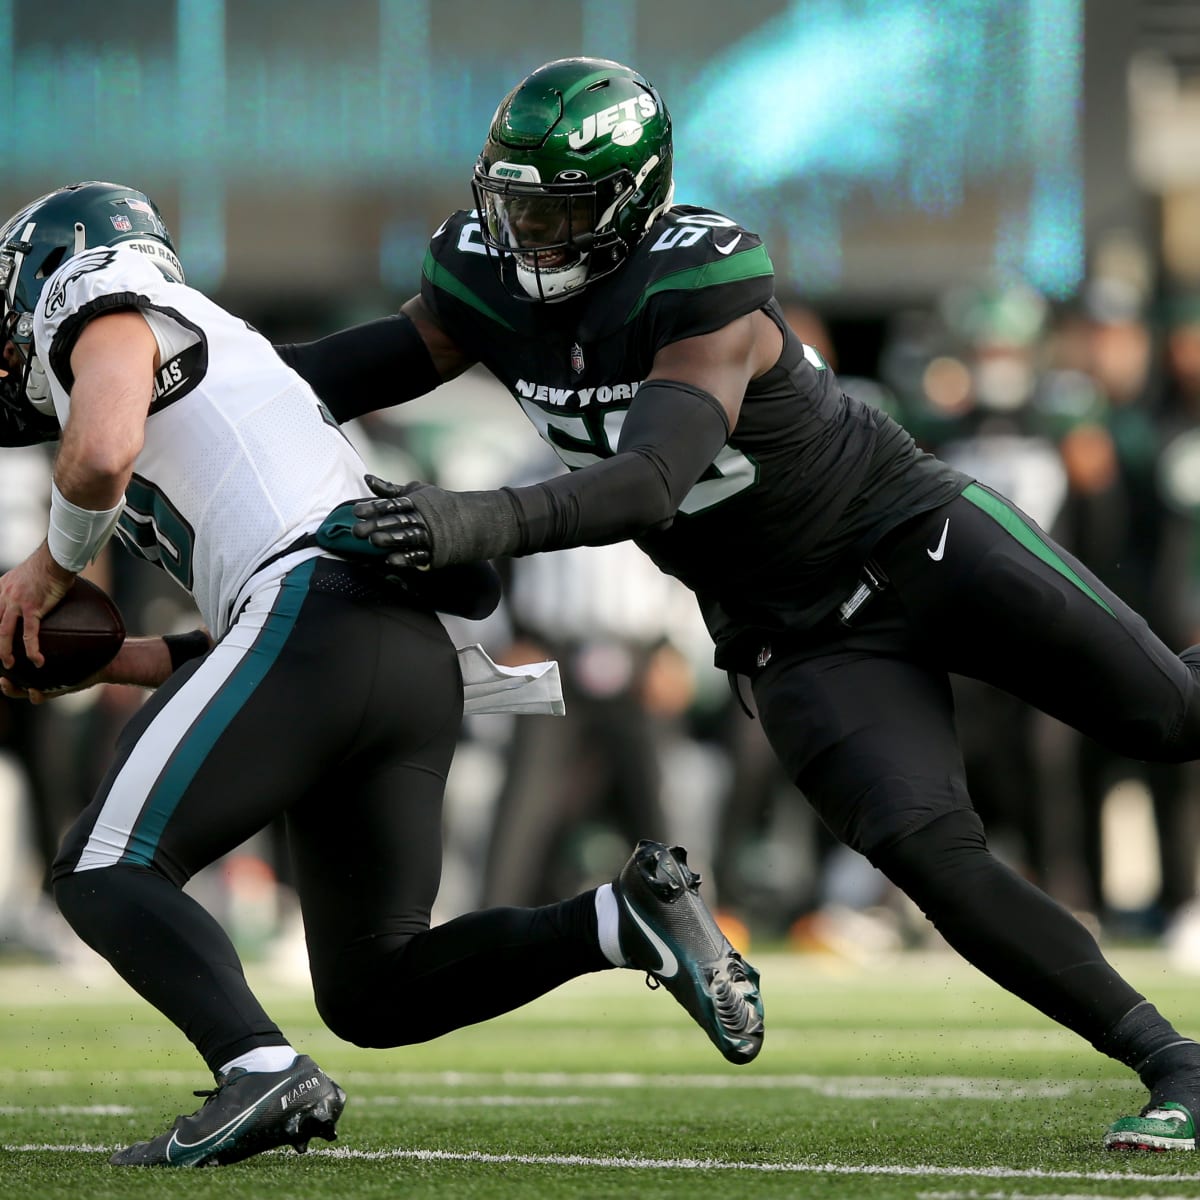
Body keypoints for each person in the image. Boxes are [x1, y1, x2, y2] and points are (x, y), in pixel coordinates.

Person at [275, 57, 1200, 1152]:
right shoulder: (481, 280)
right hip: (792, 631)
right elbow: (323, 376)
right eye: (515, 202)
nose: (531, 235)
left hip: (917, 541)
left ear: (632, 204)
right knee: (929, 853)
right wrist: (178, 393)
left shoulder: (700, 281)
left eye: (561, 209)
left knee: (1173, 719)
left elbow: (647, 480)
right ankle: (1175, 1061)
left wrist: (467, 519)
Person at [0, 180, 764, 1168]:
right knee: (377, 987)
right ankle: (620, 921)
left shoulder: (100, 292)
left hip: (321, 612)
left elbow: (101, 457)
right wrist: (124, 659)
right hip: (396, 643)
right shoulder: (223, 367)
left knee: (105, 867)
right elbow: (255, 626)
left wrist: (48, 568)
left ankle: (255, 1066)